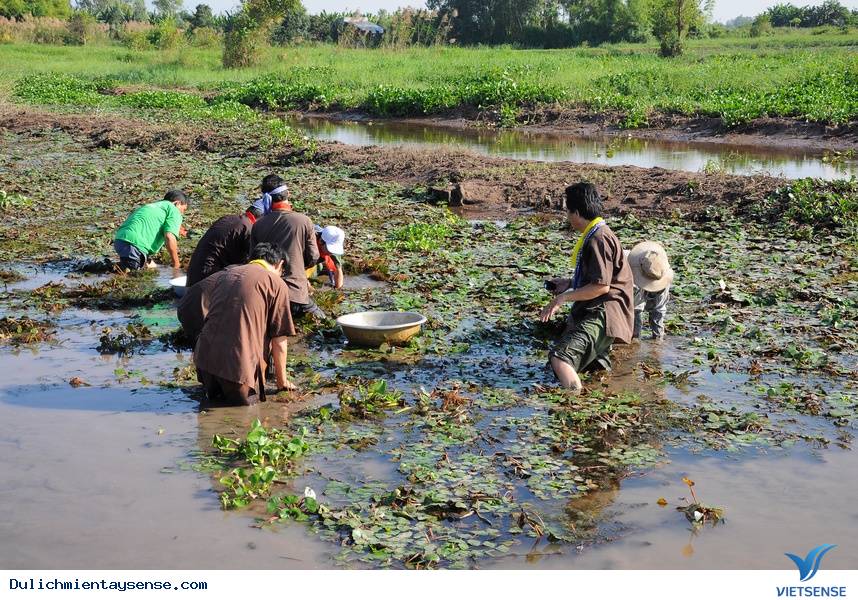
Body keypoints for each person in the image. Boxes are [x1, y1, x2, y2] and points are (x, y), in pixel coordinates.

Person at [539, 183, 634, 392]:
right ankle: (603, 397)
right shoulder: (597, 233)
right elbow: (600, 279)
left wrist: (562, 298)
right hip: (603, 312)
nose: (567, 216)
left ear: (577, 212)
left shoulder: (598, 239)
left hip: (603, 313)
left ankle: (575, 404)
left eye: (567, 211)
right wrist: (569, 283)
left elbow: (601, 286)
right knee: (593, 369)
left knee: (559, 358)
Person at [193, 243, 296, 406]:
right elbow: (279, 340)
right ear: (280, 264)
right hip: (237, 370)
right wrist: (282, 382)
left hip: (204, 362)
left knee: (210, 411)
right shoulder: (275, 282)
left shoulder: (227, 273)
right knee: (243, 418)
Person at [250, 175, 324, 319]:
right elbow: (313, 257)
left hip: (267, 293)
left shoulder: (258, 225)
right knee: (324, 324)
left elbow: (252, 260)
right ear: (288, 193)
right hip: (296, 294)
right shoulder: (303, 221)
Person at [185, 205, 263, 287]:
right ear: (259, 218)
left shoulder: (228, 218)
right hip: (208, 276)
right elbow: (254, 260)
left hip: (193, 272)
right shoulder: (248, 228)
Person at [114, 190, 188, 272]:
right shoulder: (173, 209)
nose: (182, 213)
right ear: (177, 203)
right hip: (134, 245)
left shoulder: (153, 206)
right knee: (134, 277)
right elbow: (169, 237)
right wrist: (176, 265)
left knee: (151, 266)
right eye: (184, 209)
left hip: (120, 240)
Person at [627, 241, 673, 340]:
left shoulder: (661, 271)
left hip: (647, 289)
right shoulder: (629, 269)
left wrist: (657, 339)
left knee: (657, 311)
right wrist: (634, 339)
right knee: (635, 315)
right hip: (631, 290)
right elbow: (635, 310)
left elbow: (659, 310)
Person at [306, 225, 346, 289]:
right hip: (296, 260)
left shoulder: (332, 240)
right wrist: (308, 286)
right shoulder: (308, 242)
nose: (331, 253)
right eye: (329, 249)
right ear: (321, 241)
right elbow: (296, 267)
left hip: (315, 259)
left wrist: (338, 289)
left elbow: (338, 269)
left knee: (320, 267)